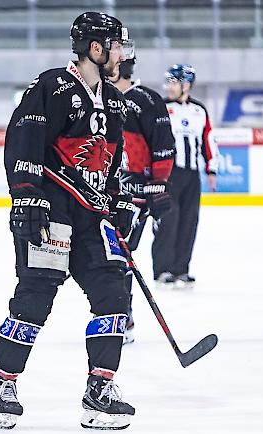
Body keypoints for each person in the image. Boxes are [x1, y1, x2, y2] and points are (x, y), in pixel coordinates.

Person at [0, 12, 137, 431]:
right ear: (96, 48)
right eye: (117, 46)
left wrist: (121, 200)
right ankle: (3, 385)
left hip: (92, 215)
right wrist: (27, 195)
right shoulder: (52, 85)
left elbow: (111, 161)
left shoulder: (114, 99)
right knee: (35, 298)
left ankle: (100, 389)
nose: (122, 54)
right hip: (51, 210)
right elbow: (23, 140)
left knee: (112, 293)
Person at [108, 55, 176, 344]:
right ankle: (113, 314)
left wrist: (158, 186)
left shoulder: (147, 100)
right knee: (104, 256)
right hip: (103, 191)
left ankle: (121, 318)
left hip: (135, 193)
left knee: (120, 257)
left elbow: (164, 147)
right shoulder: (99, 97)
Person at [151, 64, 218, 288]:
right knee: (168, 220)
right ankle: (162, 270)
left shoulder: (199, 110)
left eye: (173, 82)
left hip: (191, 175)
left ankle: (181, 269)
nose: (168, 86)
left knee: (189, 221)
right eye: (168, 82)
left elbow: (208, 140)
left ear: (185, 85)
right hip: (168, 174)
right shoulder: (161, 107)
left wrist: (211, 168)